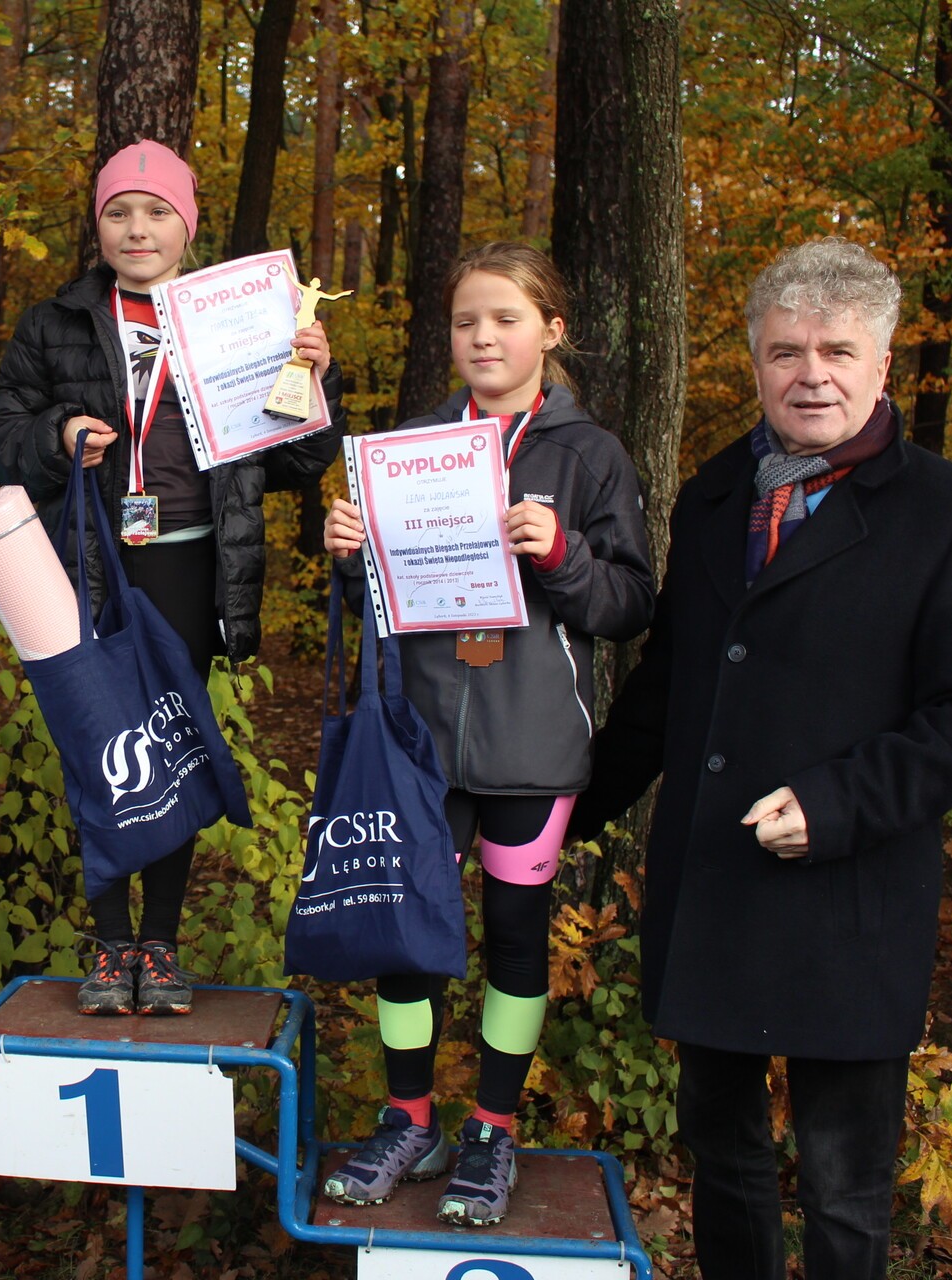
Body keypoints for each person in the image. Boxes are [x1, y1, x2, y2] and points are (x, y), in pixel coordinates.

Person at [573, 237, 952, 1278]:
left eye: (837, 350)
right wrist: (567, 808)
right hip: (715, 887)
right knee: (724, 1158)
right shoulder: (717, 495)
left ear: (882, 362)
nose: (810, 374)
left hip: (850, 893)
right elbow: (670, 682)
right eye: (786, 351)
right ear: (755, 362)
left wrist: (835, 803)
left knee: (843, 1188)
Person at [320, 242, 655, 1226]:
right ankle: (409, 1117)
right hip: (418, 745)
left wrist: (563, 553)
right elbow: (381, 599)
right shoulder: (408, 447)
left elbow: (631, 603)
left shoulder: (589, 455)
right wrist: (348, 555)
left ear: (552, 330)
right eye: (467, 320)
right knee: (407, 935)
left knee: (515, 936)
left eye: (506, 318)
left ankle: (494, 1127)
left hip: (532, 750)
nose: (483, 337)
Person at [0, 140, 347, 1016]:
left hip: (189, 561)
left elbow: (299, 462)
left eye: (157, 212)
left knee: (170, 745)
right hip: (86, 560)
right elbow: (0, 435)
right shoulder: (54, 322)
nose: (137, 229)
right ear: (98, 225)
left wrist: (315, 377)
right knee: (98, 744)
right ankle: (111, 945)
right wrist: (57, 436)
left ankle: (161, 941)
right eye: (118, 212)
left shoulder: (240, 316)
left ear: (188, 224)